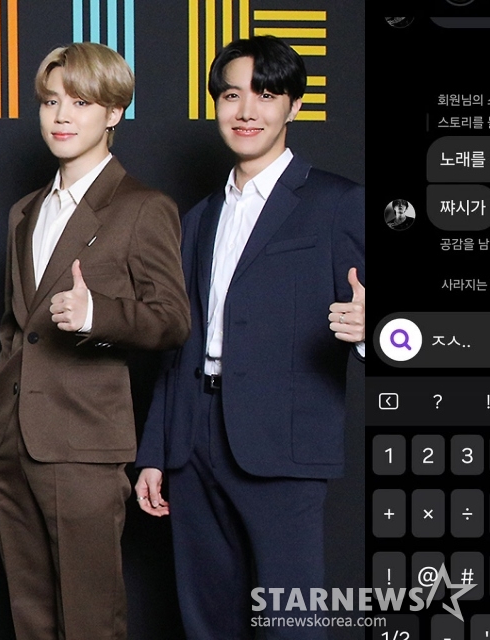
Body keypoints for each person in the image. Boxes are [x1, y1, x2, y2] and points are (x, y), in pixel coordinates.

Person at [134, 35, 365, 639]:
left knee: (292, 621)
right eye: (232, 95)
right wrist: (155, 452)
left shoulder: (337, 203)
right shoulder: (197, 218)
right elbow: (177, 344)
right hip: (192, 441)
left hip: (281, 446)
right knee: (207, 620)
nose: (246, 110)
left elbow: (407, 330)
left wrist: (375, 330)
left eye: (265, 94)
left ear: (293, 106)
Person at [0, 42, 190, 639]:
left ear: (114, 112)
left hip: (83, 446)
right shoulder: (24, 211)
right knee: (30, 618)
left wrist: (99, 314)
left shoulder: (143, 207)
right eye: (50, 102)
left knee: (91, 620)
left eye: (81, 102)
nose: (61, 116)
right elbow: (14, 328)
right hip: (8, 443)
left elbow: (173, 320)